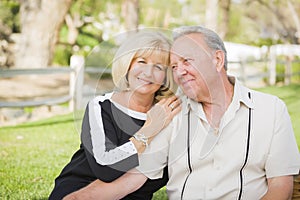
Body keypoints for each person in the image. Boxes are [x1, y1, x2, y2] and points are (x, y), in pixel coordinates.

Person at [64, 25, 300, 200]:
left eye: (187, 61)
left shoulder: (271, 110)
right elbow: (132, 179)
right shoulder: (172, 113)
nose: (179, 72)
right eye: (174, 66)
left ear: (217, 60)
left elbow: (281, 187)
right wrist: (75, 198)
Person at [48, 31, 181, 200]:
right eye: (141, 61)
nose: (148, 72)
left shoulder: (168, 111)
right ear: (127, 65)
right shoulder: (101, 106)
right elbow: (106, 168)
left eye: (159, 67)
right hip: (80, 186)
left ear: (166, 75)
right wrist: (149, 129)